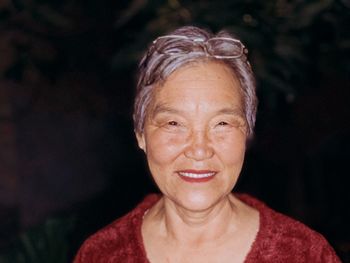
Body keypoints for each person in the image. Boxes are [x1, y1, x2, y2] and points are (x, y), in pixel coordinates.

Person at [73, 26, 340, 262]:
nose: (199, 150)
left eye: (222, 124)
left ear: (246, 132)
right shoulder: (101, 254)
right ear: (140, 133)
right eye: (174, 124)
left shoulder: (303, 254)